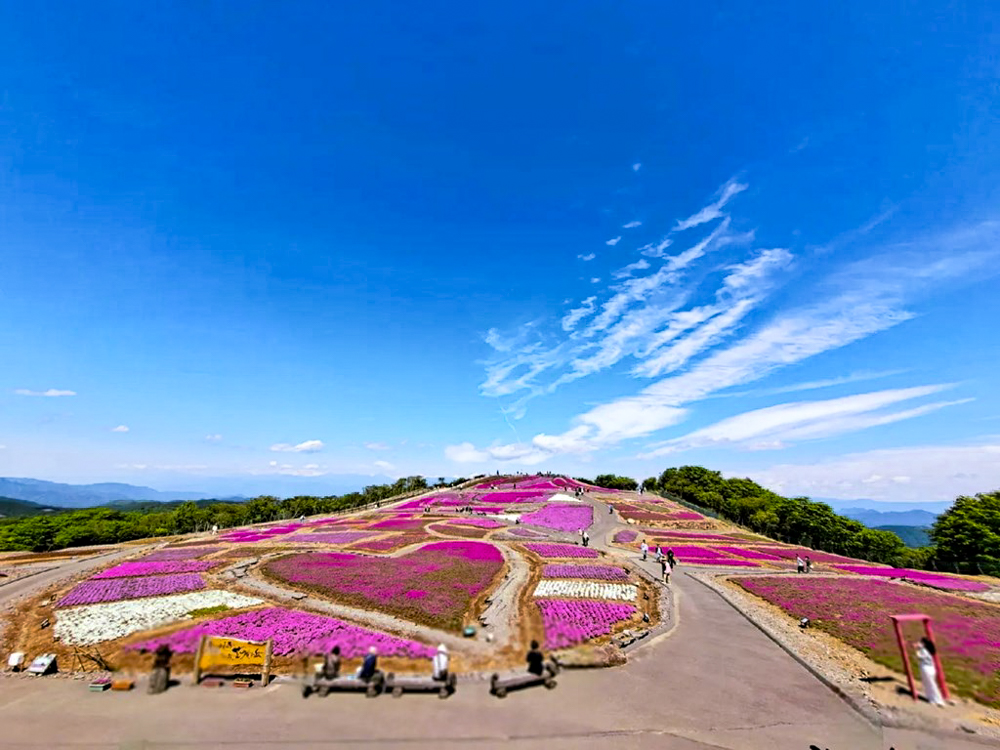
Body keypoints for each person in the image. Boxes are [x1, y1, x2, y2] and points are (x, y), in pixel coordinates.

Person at [914, 638, 946, 706]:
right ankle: (932, 699)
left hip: (927, 669)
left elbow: (919, 657)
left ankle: (938, 700)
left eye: (921, 642)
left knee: (931, 685)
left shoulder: (924, 650)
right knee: (928, 684)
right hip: (930, 669)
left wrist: (917, 648)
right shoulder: (927, 650)